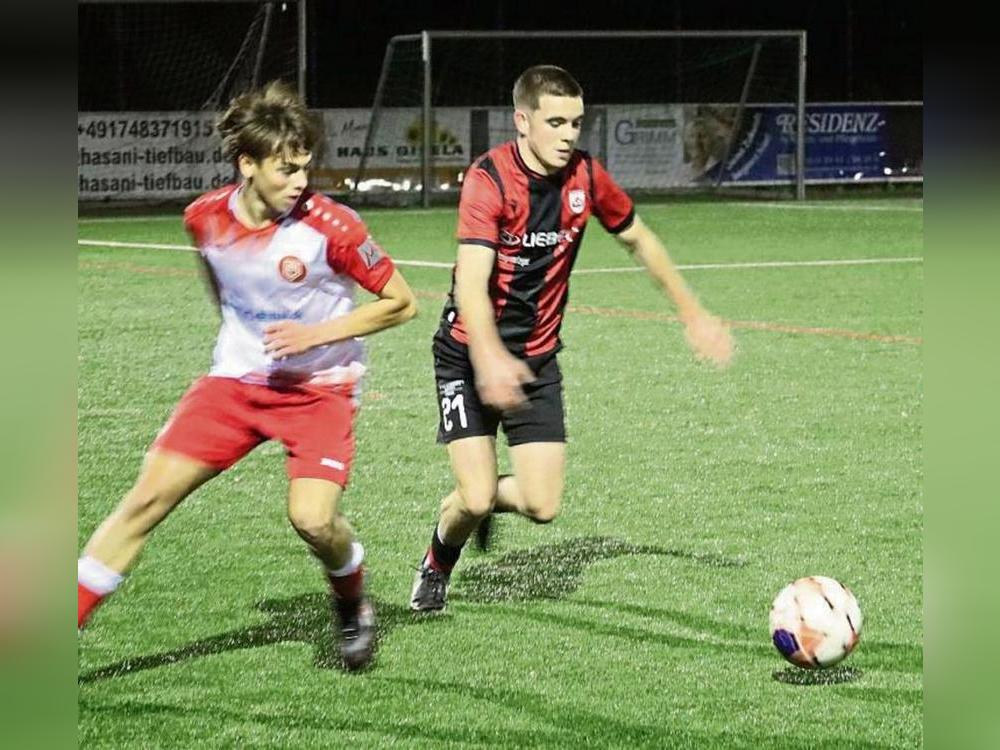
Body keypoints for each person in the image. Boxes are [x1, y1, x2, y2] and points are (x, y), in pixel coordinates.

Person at [77, 81, 418, 671]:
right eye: (286, 170)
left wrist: (313, 337)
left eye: (305, 167)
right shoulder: (203, 219)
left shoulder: (333, 228)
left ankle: (353, 600)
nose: (299, 182)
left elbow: (401, 302)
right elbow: (222, 286)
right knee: (146, 500)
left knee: (313, 520)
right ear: (248, 164)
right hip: (235, 386)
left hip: (320, 390)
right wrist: (238, 348)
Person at [410, 65, 733, 612]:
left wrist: (693, 314)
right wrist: (488, 358)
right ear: (522, 122)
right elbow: (470, 280)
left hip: (535, 362)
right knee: (475, 494)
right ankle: (439, 561)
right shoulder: (488, 180)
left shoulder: (586, 178)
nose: (567, 135)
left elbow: (639, 239)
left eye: (576, 123)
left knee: (542, 505)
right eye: (555, 122)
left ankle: (483, 503)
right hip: (467, 355)